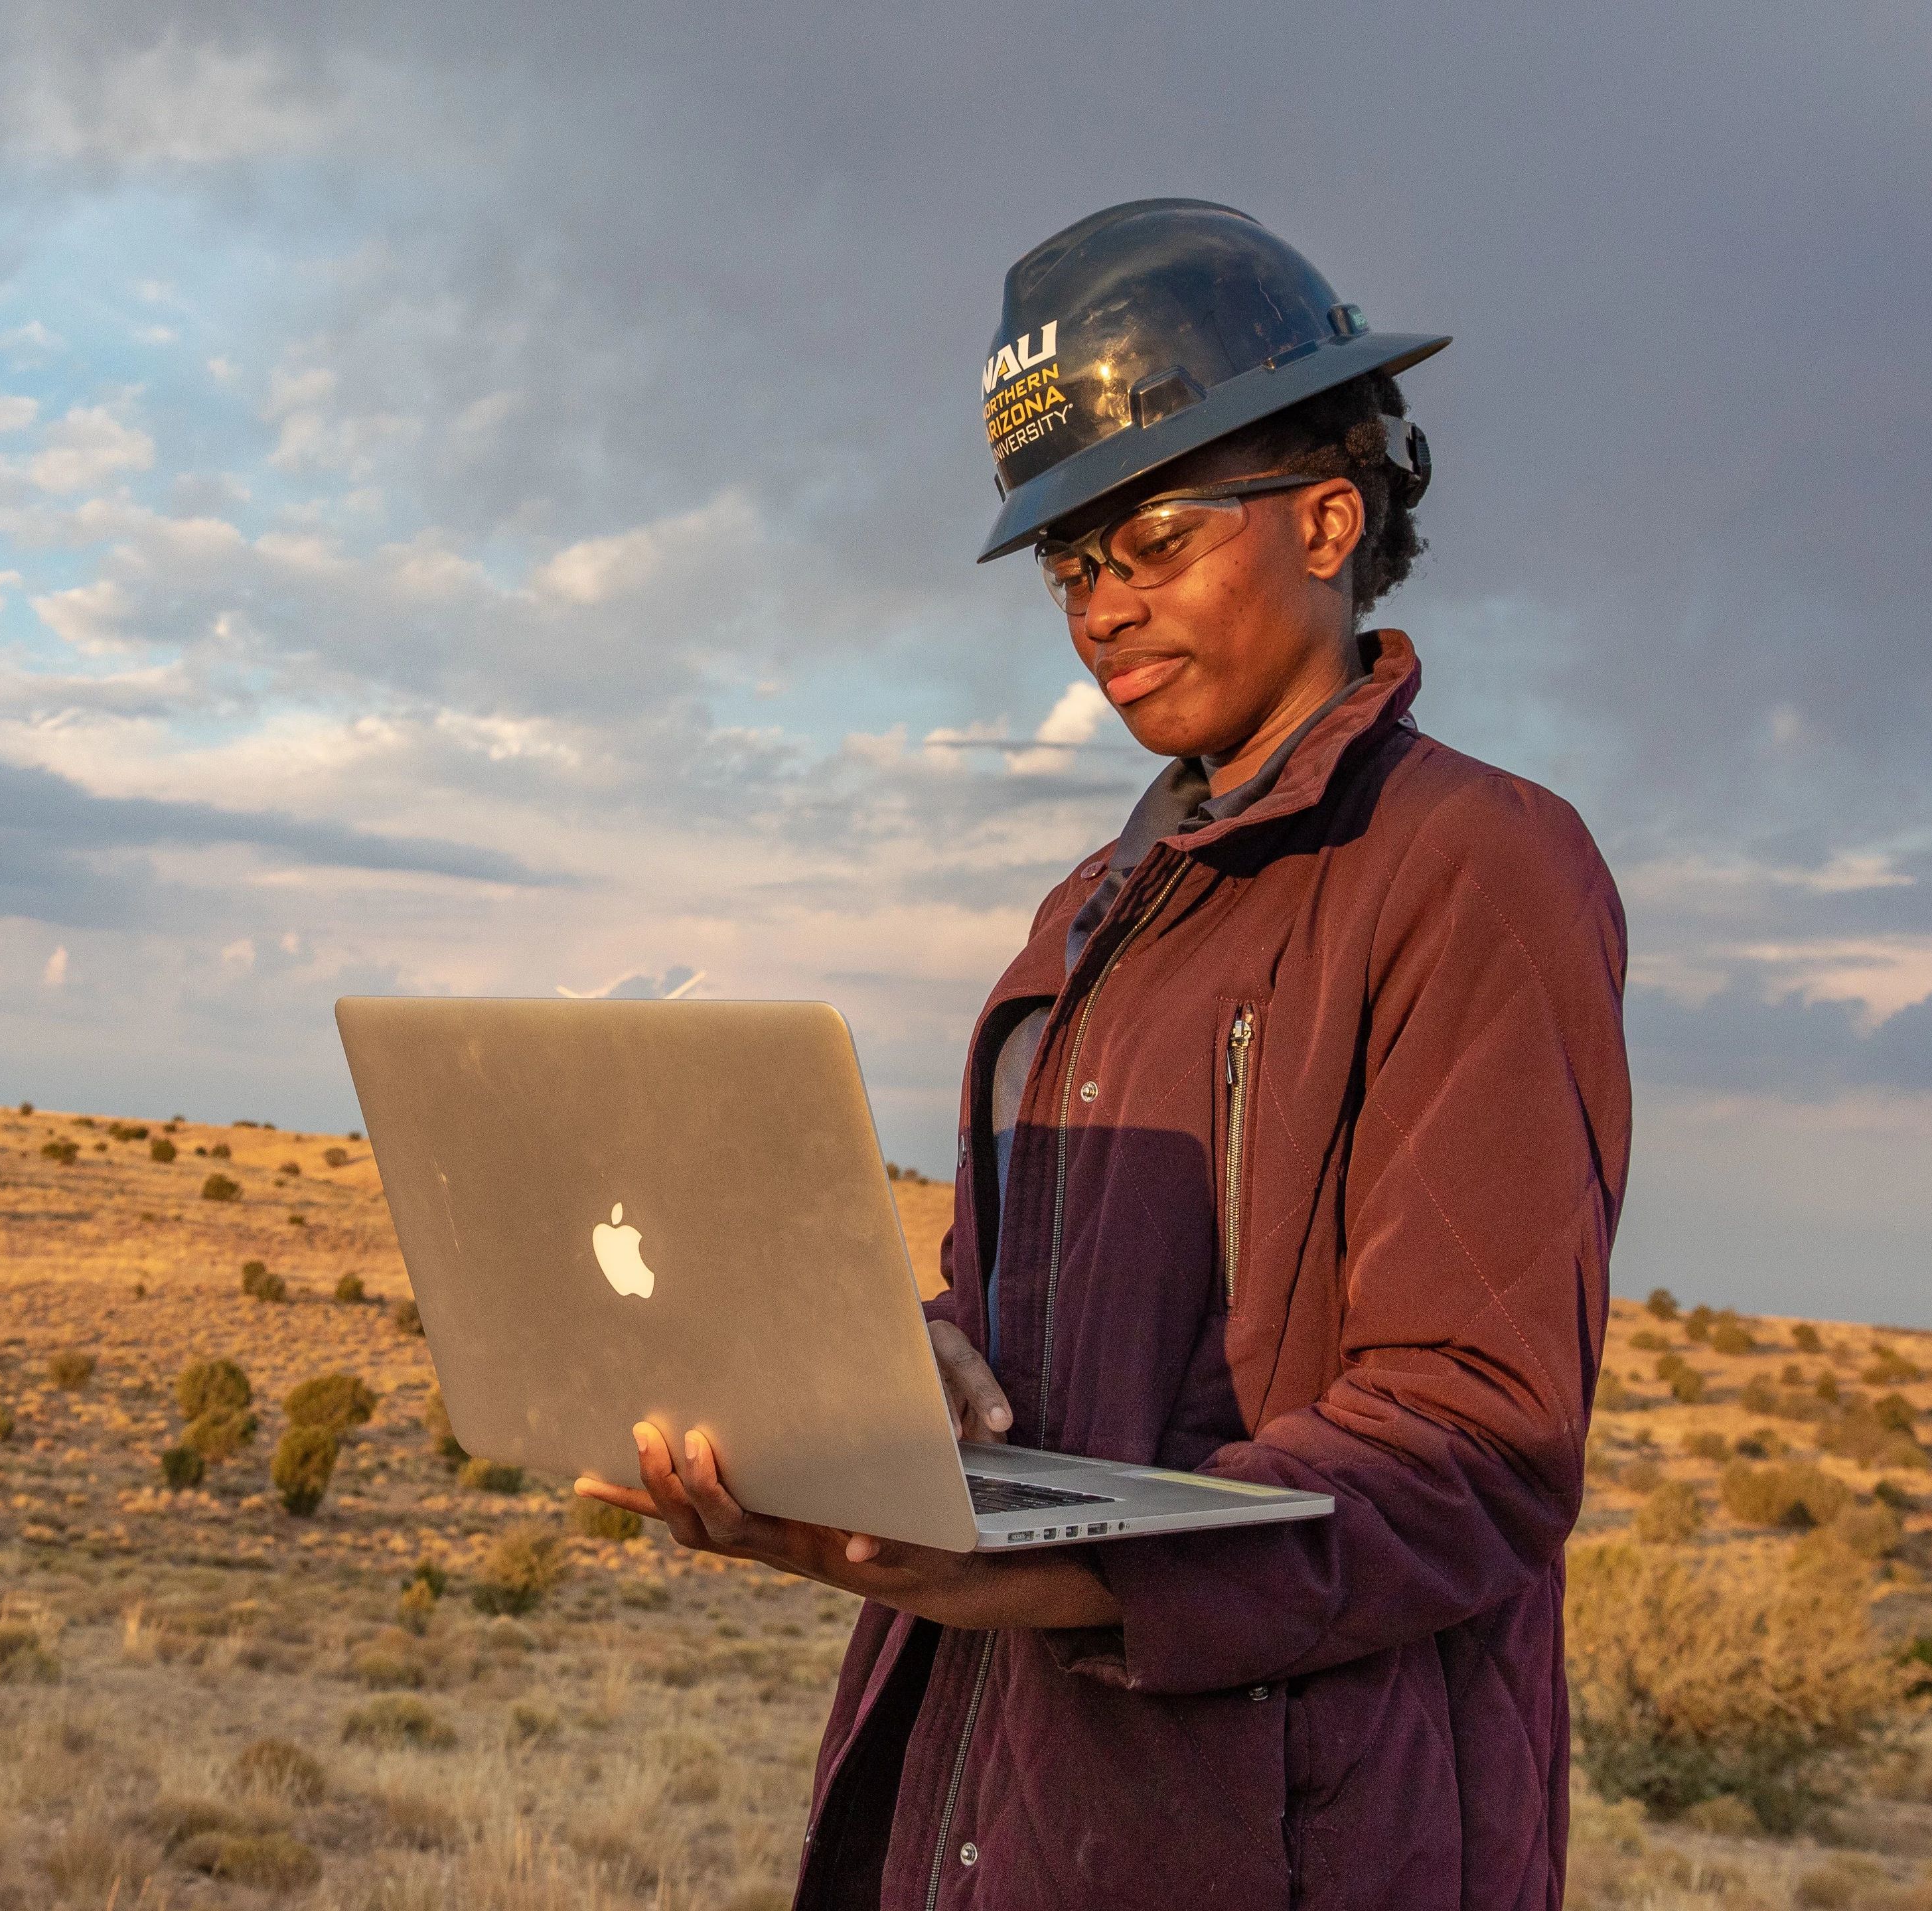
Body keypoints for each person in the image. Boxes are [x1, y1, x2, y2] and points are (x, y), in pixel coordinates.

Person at [575, 200, 1630, 1910]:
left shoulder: (1476, 871)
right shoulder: (1088, 918)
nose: (1100, 611)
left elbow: (1476, 1454)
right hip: (998, 1806)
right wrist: (898, 1382)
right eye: (1072, 565)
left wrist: (1041, 1572)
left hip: (1281, 1844)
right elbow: (1028, 1322)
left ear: (1328, 515)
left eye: (1149, 542)